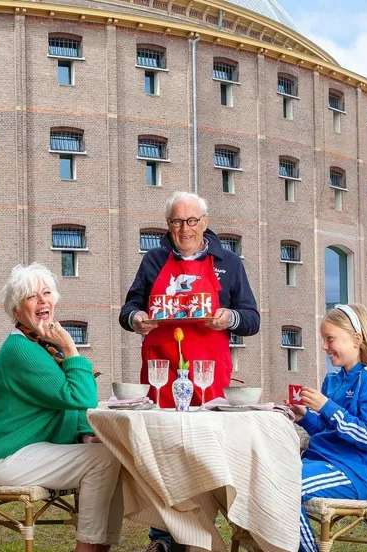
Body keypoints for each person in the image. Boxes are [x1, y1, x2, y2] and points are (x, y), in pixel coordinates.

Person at [119, 191, 260, 552]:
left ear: (205, 222)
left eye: (192, 221)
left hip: (208, 375)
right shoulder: (153, 260)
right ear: (167, 225)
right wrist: (136, 318)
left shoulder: (228, 262)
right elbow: (130, 307)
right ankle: (162, 537)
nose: (185, 229)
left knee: (206, 451)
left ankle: (201, 526)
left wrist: (230, 317)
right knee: (163, 453)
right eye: (177, 222)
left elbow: (252, 319)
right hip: (161, 372)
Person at [0, 263, 124, 552]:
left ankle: (100, 545)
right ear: (16, 312)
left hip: (31, 451)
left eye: (46, 293)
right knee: (104, 459)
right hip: (5, 459)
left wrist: (82, 433)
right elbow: (81, 397)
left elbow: (69, 404)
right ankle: (89, 548)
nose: (42, 301)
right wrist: (70, 347)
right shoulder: (21, 350)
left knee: (112, 454)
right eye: (31, 296)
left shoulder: (42, 346)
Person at [287, 304, 367, 552]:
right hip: (322, 462)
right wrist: (304, 416)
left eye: (330, 339)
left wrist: (327, 407)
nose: (325, 347)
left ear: (356, 339)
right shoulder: (333, 380)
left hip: (353, 471)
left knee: (283, 486)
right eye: (323, 339)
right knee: (267, 476)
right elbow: (328, 431)